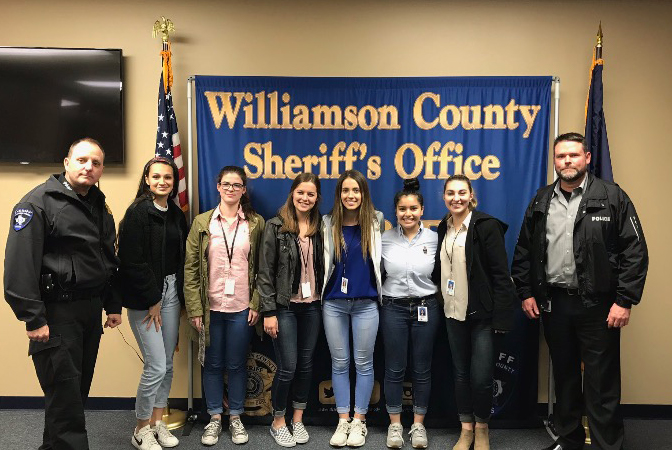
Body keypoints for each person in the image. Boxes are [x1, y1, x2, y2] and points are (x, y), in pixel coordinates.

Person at [512, 132, 648, 450]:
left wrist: (624, 300)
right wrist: (526, 292)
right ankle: (570, 440)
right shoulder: (542, 199)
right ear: (555, 161)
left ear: (587, 158)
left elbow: (635, 252)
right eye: (561, 156)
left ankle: (606, 445)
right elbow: (524, 250)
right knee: (565, 377)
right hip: (555, 304)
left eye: (573, 155)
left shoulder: (613, 196)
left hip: (599, 306)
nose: (567, 161)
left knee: (601, 382)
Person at [4, 138, 122, 450]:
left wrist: (112, 303)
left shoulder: (98, 205)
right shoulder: (37, 203)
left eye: (96, 163)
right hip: (56, 316)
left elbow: (105, 258)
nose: (89, 167)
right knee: (65, 401)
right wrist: (34, 318)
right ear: (66, 163)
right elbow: (18, 267)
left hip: (89, 313)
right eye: (82, 160)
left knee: (72, 398)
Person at [432, 174, 517, 450]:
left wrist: (502, 319)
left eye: (461, 193)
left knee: (481, 378)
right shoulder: (443, 228)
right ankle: (466, 429)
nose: (455, 198)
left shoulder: (486, 226)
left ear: (471, 196)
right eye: (450, 193)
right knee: (460, 374)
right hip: (452, 313)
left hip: (482, 315)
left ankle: (482, 429)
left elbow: (501, 276)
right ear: (444, 197)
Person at [184, 165, 265, 446]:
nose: (231, 189)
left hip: (243, 307)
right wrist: (194, 308)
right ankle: (215, 418)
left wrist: (257, 302)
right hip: (211, 308)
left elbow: (262, 269)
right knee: (213, 364)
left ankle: (236, 418)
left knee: (238, 363)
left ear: (244, 190)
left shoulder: (256, 223)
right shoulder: (202, 223)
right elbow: (191, 268)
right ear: (218, 187)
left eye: (237, 185)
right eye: (226, 184)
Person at [117, 157, 188, 450]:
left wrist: (177, 296)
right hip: (145, 297)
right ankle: (140, 429)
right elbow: (131, 262)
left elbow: (179, 257)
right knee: (156, 366)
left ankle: (158, 423)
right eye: (156, 177)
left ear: (174, 182)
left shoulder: (174, 213)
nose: (162, 182)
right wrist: (152, 299)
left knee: (168, 363)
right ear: (147, 179)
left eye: (168, 178)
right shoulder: (137, 213)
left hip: (170, 291)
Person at [257, 173, 325, 447]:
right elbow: (264, 272)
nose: (305, 198)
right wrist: (269, 311)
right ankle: (278, 421)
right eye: (301, 193)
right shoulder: (275, 226)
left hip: (313, 307)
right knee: (288, 367)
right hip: (285, 307)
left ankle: (298, 419)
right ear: (292, 193)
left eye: (310, 194)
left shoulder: (322, 225)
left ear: (317, 197)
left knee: (307, 366)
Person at [321, 169, 383, 448]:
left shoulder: (376, 220)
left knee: (364, 363)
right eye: (345, 190)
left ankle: (360, 421)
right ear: (339, 194)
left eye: (356, 191)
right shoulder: (327, 223)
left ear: (363, 194)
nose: (350, 195)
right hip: (334, 303)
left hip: (366, 304)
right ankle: (342, 420)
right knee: (340, 362)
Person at [380, 178, 439, 449]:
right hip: (393, 307)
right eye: (402, 209)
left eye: (413, 208)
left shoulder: (435, 237)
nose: (408, 214)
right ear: (396, 212)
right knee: (394, 368)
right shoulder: (384, 239)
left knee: (422, 368)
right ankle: (395, 425)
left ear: (422, 210)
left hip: (427, 306)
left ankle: (417, 425)